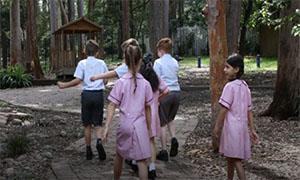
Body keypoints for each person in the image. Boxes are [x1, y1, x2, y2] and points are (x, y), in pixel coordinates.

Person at [103, 45, 153, 180]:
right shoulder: (146, 84)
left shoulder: (120, 83)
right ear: (140, 61)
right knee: (142, 161)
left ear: (125, 60)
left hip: (125, 125)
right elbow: (148, 108)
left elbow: (112, 104)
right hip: (140, 127)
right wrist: (149, 128)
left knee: (119, 155)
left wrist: (107, 126)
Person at [57, 40, 108, 161]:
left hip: (86, 95)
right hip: (98, 95)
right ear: (97, 52)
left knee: (87, 124)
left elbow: (78, 80)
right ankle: (99, 142)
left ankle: (88, 149)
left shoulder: (82, 63)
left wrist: (64, 85)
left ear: (85, 51)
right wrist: (102, 82)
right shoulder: (102, 63)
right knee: (98, 123)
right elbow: (106, 80)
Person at [213, 54, 259, 180]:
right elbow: (249, 111)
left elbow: (223, 110)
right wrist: (252, 129)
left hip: (232, 129)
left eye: (227, 67)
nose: (224, 70)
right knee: (230, 158)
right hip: (242, 128)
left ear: (236, 69)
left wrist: (217, 128)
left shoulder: (229, 87)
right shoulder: (245, 86)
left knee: (236, 160)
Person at [140, 53, 169, 179]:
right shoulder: (156, 77)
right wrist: (158, 99)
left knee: (140, 140)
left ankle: (138, 162)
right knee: (152, 141)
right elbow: (167, 90)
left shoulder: (140, 79)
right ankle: (152, 167)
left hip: (142, 113)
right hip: (154, 113)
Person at [153, 37, 180, 161]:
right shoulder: (175, 62)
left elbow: (156, 79)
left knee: (162, 122)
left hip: (165, 93)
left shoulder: (158, 63)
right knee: (171, 118)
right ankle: (174, 138)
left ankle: (163, 150)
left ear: (160, 50)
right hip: (176, 93)